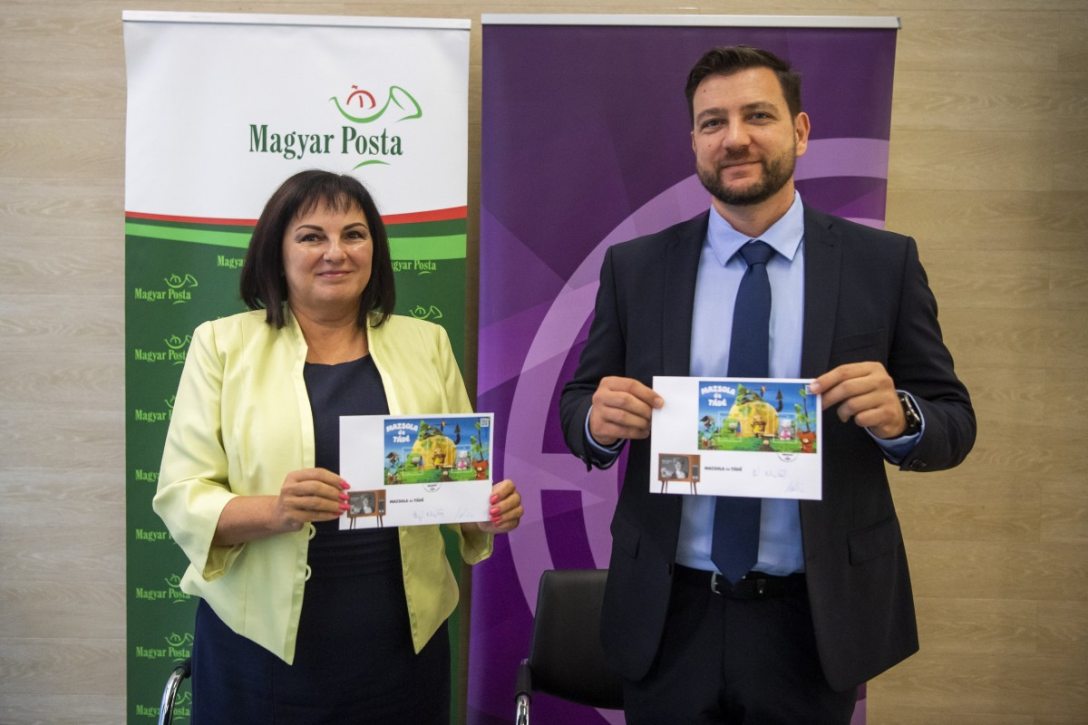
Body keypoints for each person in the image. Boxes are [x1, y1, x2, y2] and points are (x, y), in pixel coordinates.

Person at [559, 46, 975, 723]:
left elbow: (954, 420)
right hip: (668, 613)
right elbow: (578, 406)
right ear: (694, 142)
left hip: (811, 620)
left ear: (800, 131)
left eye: (758, 115)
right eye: (713, 122)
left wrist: (902, 416)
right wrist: (595, 423)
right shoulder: (636, 268)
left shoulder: (882, 264)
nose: (736, 138)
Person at [155, 170, 523, 723]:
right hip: (258, 651)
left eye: (354, 234)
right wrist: (276, 511)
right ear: (277, 252)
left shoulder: (427, 342)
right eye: (312, 236)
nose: (336, 252)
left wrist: (483, 508)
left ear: (375, 249)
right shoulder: (222, 346)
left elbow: (450, 479)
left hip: (403, 651)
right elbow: (182, 495)